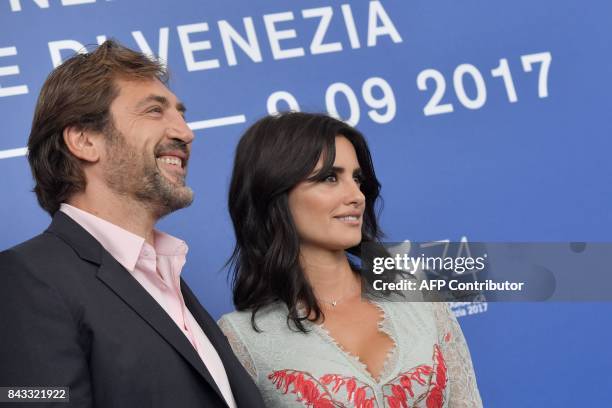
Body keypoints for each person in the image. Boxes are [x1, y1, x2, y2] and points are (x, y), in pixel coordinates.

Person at [0, 40, 264, 408]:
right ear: (84, 140)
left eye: (181, 113)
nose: (186, 132)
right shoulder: (24, 279)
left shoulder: (165, 274)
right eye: (155, 111)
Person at [218, 112, 483, 407]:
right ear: (273, 193)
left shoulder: (417, 293)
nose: (356, 195)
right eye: (330, 178)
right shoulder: (242, 339)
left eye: (356, 179)